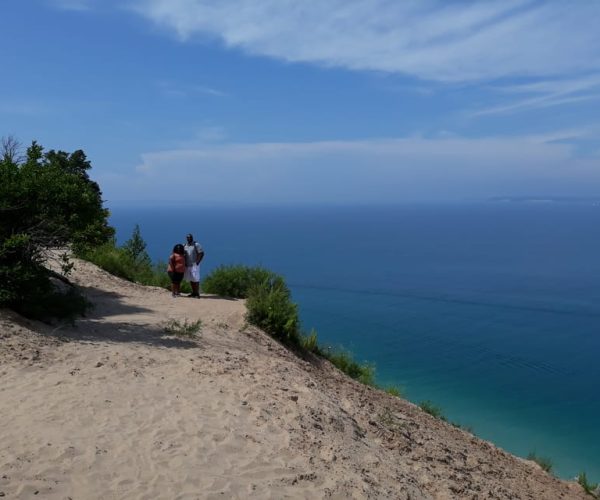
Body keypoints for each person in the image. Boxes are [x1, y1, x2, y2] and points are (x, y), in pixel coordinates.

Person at [184, 233, 204, 298]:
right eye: (188, 238)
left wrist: (197, 262)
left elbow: (201, 253)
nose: (189, 238)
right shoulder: (185, 245)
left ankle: (197, 293)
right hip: (187, 265)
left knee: (196, 279)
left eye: (190, 237)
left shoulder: (196, 245)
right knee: (191, 279)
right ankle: (193, 292)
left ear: (192, 238)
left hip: (194, 265)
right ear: (186, 238)